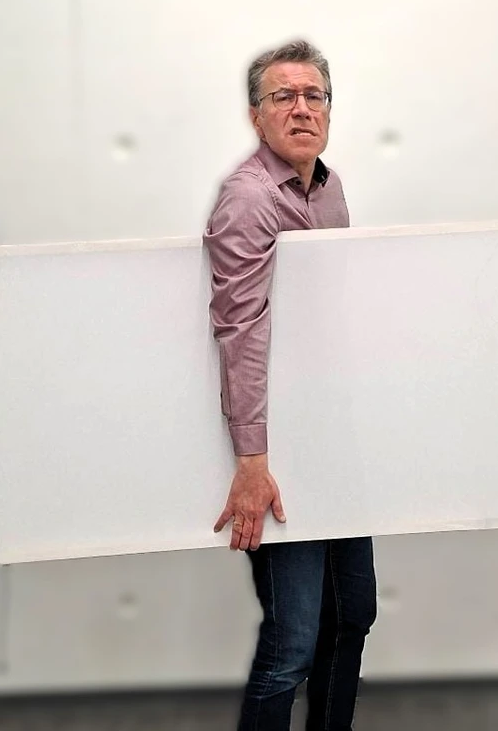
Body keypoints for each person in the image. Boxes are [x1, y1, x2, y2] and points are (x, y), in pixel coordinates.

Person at [204, 39, 376, 730]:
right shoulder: (248, 200)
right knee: (292, 644)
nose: (302, 109)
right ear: (256, 115)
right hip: (280, 452)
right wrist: (252, 460)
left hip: (333, 437)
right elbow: (239, 328)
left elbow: (331, 319)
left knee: (353, 615)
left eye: (314, 96)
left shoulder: (329, 189)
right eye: (284, 97)